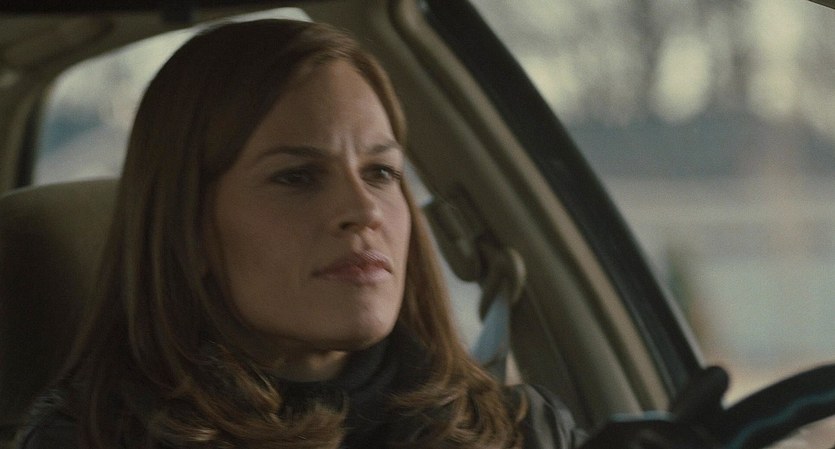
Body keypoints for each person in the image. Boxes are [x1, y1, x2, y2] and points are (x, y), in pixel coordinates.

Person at [16, 19, 585, 449]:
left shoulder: (523, 429)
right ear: (187, 229)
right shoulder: (86, 438)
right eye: (297, 176)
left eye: (381, 172)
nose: (363, 210)